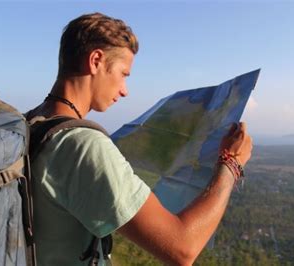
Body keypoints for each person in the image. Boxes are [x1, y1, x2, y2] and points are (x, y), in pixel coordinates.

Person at [27, 12, 252, 265]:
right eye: (124, 74)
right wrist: (231, 164)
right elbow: (182, 248)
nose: (124, 90)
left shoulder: (30, 122)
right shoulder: (82, 144)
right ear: (96, 60)